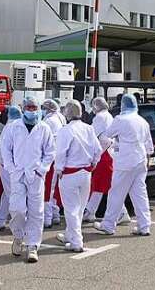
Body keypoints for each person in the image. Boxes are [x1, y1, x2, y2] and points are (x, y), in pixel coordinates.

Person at [0, 96, 55, 263]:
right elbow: (6, 150)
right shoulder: (13, 127)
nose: (32, 110)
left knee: (36, 211)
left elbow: (50, 152)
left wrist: (41, 169)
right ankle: (18, 236)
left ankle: (33, 245)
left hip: (35, 175)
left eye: (34, 107)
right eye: (29, 107)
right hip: (18, 173)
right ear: (23, 108)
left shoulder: (44, 128)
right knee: (17, 209)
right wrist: (11, 168)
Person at [96, 93, 155, 236]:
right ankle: (144, 226)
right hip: (141, 161)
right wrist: (147, 159)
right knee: (140, 194)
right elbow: (149, 146)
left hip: (125, 162)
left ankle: (108, 225)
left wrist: (115, 142)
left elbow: (107, 134)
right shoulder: (142, 121)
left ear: (122, 105)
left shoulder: (120, 119)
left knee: (116, 193)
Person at [54, 100, 102, 252]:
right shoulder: (88, 128)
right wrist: (94, 163)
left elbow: (61, 153)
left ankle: (76, 241)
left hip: (70, 173)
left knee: (71, 209)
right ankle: (70, 235)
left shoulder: (65, 130)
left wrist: (59, 169)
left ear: (67, 113)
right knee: (79, 209)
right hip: (85, 173)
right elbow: (98, 149)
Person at [84, 97, 129, 225]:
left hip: (104, 154)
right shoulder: (108, 116)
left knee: (108, 185)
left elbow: (92, 136)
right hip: (109, 153)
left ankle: (122, 212)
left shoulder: (99, 118)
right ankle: (90, 211)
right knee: (100, 184)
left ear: (95, 106)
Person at [0, 106, 22, 230]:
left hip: (8, 167)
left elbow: (5, 150)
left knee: (12, 196)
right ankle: (0, 220)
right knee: (7, 194)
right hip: (16, 167)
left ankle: (19, 225)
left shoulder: (9, 127)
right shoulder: (21, 126)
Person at [41, 98, 65, 227]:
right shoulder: (60, 117)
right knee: (55, 188)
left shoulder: (49, 121)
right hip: (59, 157)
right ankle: (55, 215)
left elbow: (43, 140)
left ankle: (47, 218)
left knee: (48, 189)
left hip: (51, 157)